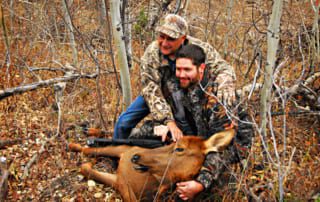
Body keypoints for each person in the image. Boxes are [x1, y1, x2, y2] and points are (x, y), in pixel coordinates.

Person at [129, 44, 253, 200]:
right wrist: (168, 124)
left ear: (201, 69)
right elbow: (161, 100)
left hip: (228, 149)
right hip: (194, 137)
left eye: (187, 70)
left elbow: (224, 147)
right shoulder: (178, 82)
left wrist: (201, 182)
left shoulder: (218, 97)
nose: (181, 74)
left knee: (205, 191)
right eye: (179, 69)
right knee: (145, 132)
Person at [113, 14, 236, 140]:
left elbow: (223, 67)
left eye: (171, 39)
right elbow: (151, 89)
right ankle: (114, 151)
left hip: (190, 91)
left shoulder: (200, 48)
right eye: (162, 37)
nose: (164, 43)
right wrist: (168, 120)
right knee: (123, 123)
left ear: (183, 38)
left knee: (197, 127)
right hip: (159, 92)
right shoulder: (152, 53)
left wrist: (225, 83)